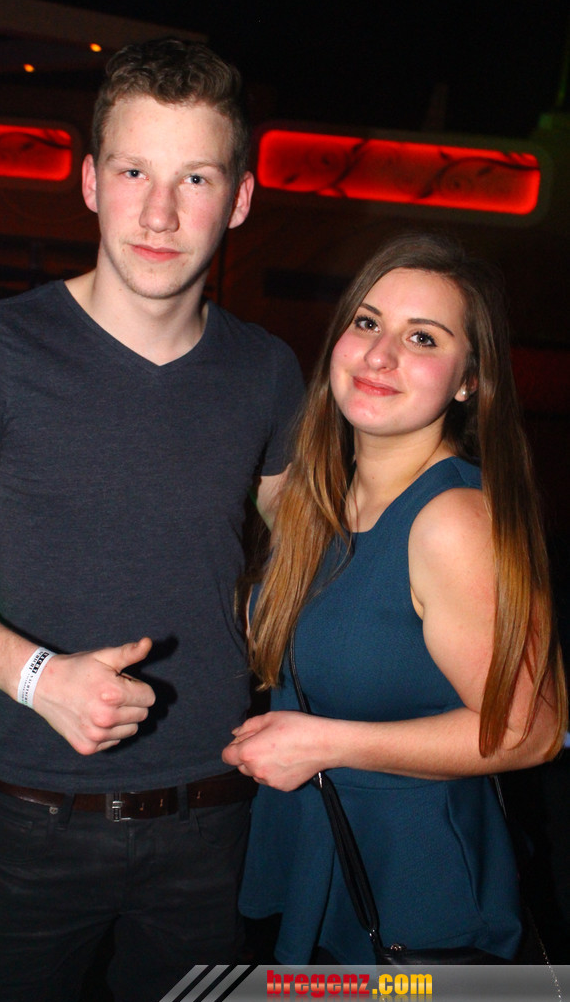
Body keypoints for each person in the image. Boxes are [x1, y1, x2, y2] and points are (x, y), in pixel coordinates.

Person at [0, 39, 303, 1002]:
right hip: (33, 817)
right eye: (132, 172)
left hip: (215, 809)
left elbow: (304, 557)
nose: (159, 214)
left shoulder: (266, 370)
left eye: (194, 178)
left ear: (239, 199)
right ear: (88, 182)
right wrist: (39, 678)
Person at [223, 232, 567, 964]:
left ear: (468, 381)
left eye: (422, 337)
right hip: (320, 865)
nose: (380, 356)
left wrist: (327, 742)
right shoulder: (320, 502)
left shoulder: (453, 520)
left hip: (415, 901)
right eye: (367, 322)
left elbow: (532, 731)